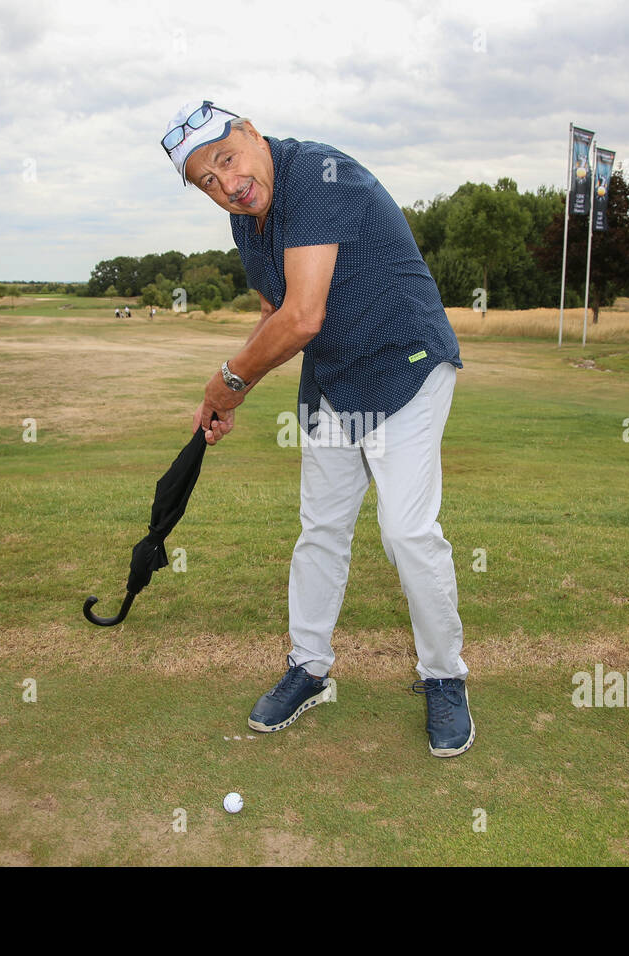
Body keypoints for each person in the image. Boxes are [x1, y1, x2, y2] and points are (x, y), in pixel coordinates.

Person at [163, 99, 472, 757]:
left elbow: (303, 317)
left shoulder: (319, 175)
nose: (228, 184)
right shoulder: (251, 224)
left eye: (226, 158)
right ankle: (308, 667)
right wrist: (228, 397)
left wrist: (229, 379)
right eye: (207, 182)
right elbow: (277, 313)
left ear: (250, 131)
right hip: (337, 381)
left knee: (408, 532)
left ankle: (445, 677)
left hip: (407, 365)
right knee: (322, 528)